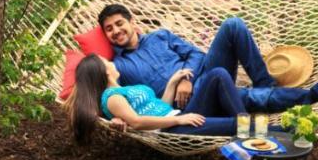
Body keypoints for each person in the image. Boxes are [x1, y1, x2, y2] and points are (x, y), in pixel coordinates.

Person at [97, 4, 318, 114]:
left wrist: (187, 78)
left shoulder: (160, 36)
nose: (116, 31)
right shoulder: (118, 67)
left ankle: (265, 84)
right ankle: (314, 95)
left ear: (132, 22)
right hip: (189, 103)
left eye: (120, 23)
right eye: (109, 29)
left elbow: (195, 54)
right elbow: (122, 99)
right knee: (243, 95)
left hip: (201, 76)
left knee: (232, 25)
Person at [67, 54, 245, 143]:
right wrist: (178, 119)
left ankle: (254, 136)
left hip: (176, 118)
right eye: (107, 61)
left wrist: (172, 84)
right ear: (105, 71)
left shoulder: (124, 89)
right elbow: (136, 122)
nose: (111, 62)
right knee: (236, 125)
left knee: (218, 74)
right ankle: (267, 136)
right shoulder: (111, 97)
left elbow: (161, 107)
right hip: (172, 134)